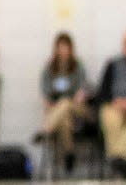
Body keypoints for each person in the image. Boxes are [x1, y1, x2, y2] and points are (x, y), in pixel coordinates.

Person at [39, 31, 89, 174]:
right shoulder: (49, 68)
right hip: (59, 112)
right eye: (60, 47)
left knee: (66, 103)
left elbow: (81, 92)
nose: (63, 50)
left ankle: (47, 128)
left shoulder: (78, 67)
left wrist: (77, 96)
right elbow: (46, 95)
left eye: (65, 47)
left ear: (70, 48)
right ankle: (69, 152)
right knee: (64, 117)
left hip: (77, 109)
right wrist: (52, 103)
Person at [98, 29, 126, 178]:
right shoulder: (113, 64)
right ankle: (119, 164)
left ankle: (121, 158)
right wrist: (116, 102)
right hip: (114, 105)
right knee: (111, 119)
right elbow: (103, 92)